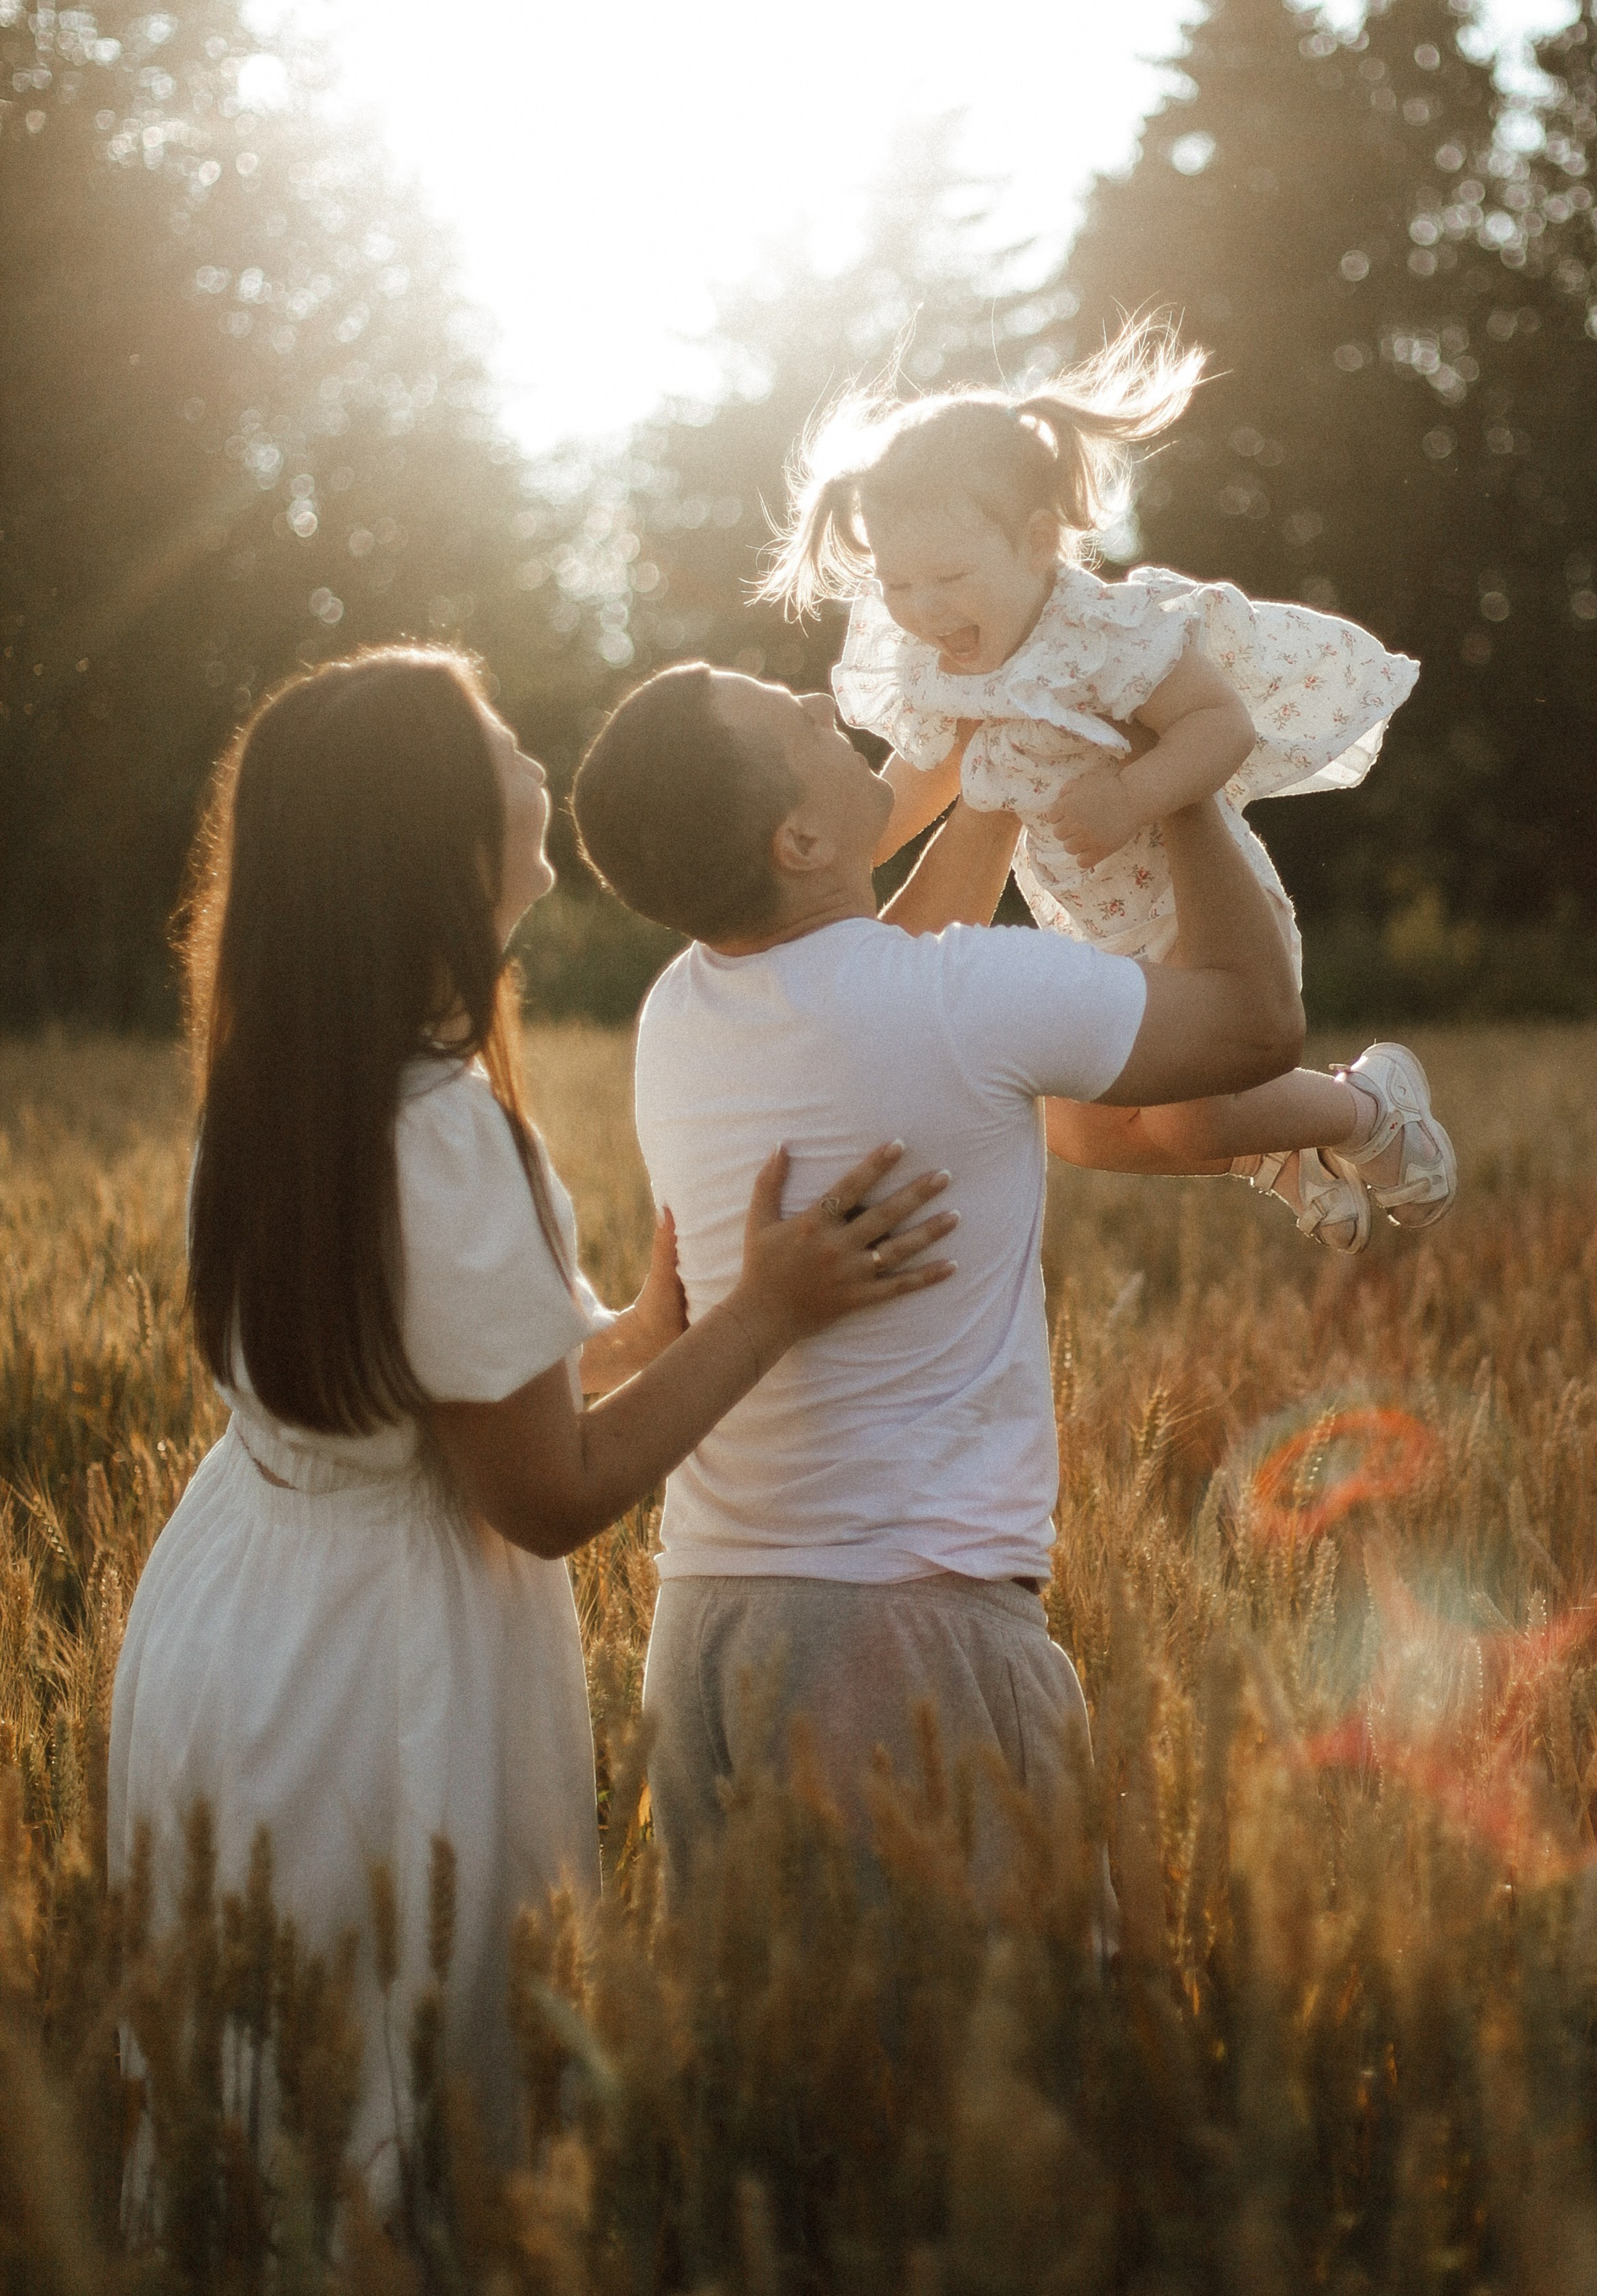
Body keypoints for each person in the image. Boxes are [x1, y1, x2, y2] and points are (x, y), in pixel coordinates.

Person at [108, 644, 975, 2203]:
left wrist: (634, 1337)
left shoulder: (285, 1080)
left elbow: (424, 1375)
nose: (532, 766)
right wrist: (772, 1310)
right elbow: (545, 1497)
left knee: (260, 2089)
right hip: (379, 1663)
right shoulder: (442, 1129)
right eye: (500, 745)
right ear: (436, 841)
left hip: (238, 1617)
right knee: (394, 2099)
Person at [569, 657, 1305, 1899]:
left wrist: (993, 785)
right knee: (992, 2018)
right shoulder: (963, 1000)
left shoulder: (683, 1009)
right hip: (907, 1646)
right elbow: (1254, 1020)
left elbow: (871, 967)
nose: (824, 707)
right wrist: (1179, 775)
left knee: (762, 2025)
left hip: (707, 1635)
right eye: (797, 722)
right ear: (800, 840)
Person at [759, 318, 1456, 1252]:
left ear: (1038, 540)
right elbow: (922, 776)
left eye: (948, 576)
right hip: (1097, 929)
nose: (921, 609)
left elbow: (1219, 724)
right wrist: (842, 855)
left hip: (1193, 911)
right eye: (896, 585)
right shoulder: (949, 659)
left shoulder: (1106, 634)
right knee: (1078, 1127)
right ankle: (1279, 1154)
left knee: (1193, 1120)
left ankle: (1369, 1110)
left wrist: (1134, 796)